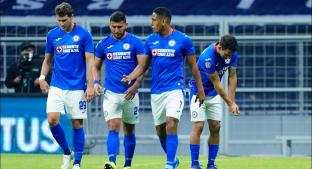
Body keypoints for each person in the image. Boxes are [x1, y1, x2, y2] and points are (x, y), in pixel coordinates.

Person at [122, 7, 205, 169]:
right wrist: (132, 77)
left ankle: (169, 164)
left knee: (171, 122)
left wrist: (200, 89)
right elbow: (143, 65)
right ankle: (173, 159)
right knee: (160, 131)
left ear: (164, 21)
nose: (151, 23)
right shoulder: (151, 40)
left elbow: (194, 67)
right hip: (157, 91)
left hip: (175, 88)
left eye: (154, 20)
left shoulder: (183, 40)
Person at [38, 2, 95, 169]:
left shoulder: (84, 35)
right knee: (52, 119)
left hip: (77, 86)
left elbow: (90, 61)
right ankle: (66, 152)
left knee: (77, 124)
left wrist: (91, 85)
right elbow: (47, 60)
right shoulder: (52, 35)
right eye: (59, 20)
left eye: (64, 20)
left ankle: (77, 163)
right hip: (57, 84)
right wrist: (42, 77)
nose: (61, 24)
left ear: (71, 17)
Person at [92, 11, 146, 169]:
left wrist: (133, 81)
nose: (116, 30)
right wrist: (96, 82)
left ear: (126, 25)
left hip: (130, 93)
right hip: (111, 93)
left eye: (119, 26)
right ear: (109, 25)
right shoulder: (103, 44)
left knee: (129, 129)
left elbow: (142, 66)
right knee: (113, 126)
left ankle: (128, 164)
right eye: (113, 27)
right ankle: (112, 161)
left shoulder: (136, 42)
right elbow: (95, 66)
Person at [188, 35, 240, 169]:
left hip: (214, 94)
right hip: (198, 92)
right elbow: (217, 82)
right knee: (198, 126)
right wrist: (229, 103)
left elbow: (232, 77)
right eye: (226, 54)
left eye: (231, 54)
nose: (228, 57)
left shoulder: (232, 53)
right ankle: (194, 164)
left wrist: (232, 101)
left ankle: (211, 164)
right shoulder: (208, 58)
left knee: (216, 127)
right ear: (220, 47)